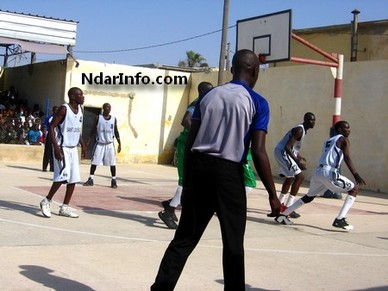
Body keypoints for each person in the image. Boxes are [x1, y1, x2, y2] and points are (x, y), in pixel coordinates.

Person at [151, 49, 281, 291]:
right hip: (228, 174)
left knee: (184, 238)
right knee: (232, 244)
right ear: (254, 71)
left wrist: (188, 181)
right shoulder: (257, 102)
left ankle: (160, 289)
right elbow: (259, 150)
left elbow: (191, 142)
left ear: (232, 69)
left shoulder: (208, 97)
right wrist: (273, 195)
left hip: (200, 168)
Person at [275, 120, 366, 230]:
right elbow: (347, 158)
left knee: (309, 197)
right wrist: (356, 175)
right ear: (339, 130)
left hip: (318, 171)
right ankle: (340, 219)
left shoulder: (329, 140)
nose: (348, 130)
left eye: (349, 128)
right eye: (346, 128)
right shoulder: (343, 140)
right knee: (354, 189)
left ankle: (283, 215)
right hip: (329, 172)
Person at [158, 81, 214, 229]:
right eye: (210, 91)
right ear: (202, 92)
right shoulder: (197, 102)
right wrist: (201, 134)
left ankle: (171, 203)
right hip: (186, 144)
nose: (212, 94)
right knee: (185, 180)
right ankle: (168, 211)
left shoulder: (205, 104)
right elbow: (185, 120)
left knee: (192, 179)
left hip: (194, 145)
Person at [39, 87, 86, 218]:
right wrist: (56, 147)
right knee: (62, 177)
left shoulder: (80, 110)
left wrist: (82, 144)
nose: (83, 97)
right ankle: (46, 201)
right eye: (80, 95)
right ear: (72, 96)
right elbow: (52, 126)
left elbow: (76, 129)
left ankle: (64, 207)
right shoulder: (64, 109)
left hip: (73, 148)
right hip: (62, 147)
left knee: (73, 179)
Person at [270, 112, 316, 219]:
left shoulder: (303, 130)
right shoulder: (299, 130)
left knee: (290, 177)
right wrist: (297, 162)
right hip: (283, 152)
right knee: (300, 177)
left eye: (314, 120)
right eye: (311, 120)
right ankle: (288, 208)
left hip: (282, 151)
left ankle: (279, 205)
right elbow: (287, 147)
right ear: (305, 120)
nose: (313, 122)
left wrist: (298, 156)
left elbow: (292, 145)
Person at [83, 103, 121, 188]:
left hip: (109, 144)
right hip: (100, 144)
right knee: (94, 162)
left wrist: (119, 143)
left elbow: (116, 131)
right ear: (103, 108)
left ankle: (113, 180)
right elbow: (93, 130)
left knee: (112, 163)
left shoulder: (113, 119)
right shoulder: (98, 118)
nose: (108, 108)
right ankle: (90, 179)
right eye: (107, 107)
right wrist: (88, 141)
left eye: (109, 107)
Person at [42, 105, 59, 172]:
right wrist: (45, 135)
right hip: (49, 135)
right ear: (53, 110)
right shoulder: (49, 118)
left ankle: (52, 168)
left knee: (53, 152)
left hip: (56, 135)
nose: (56, 111)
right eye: (56, 110)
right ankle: (44, 167)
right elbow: (45, 127)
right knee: (47, 152)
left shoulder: (59, 118)